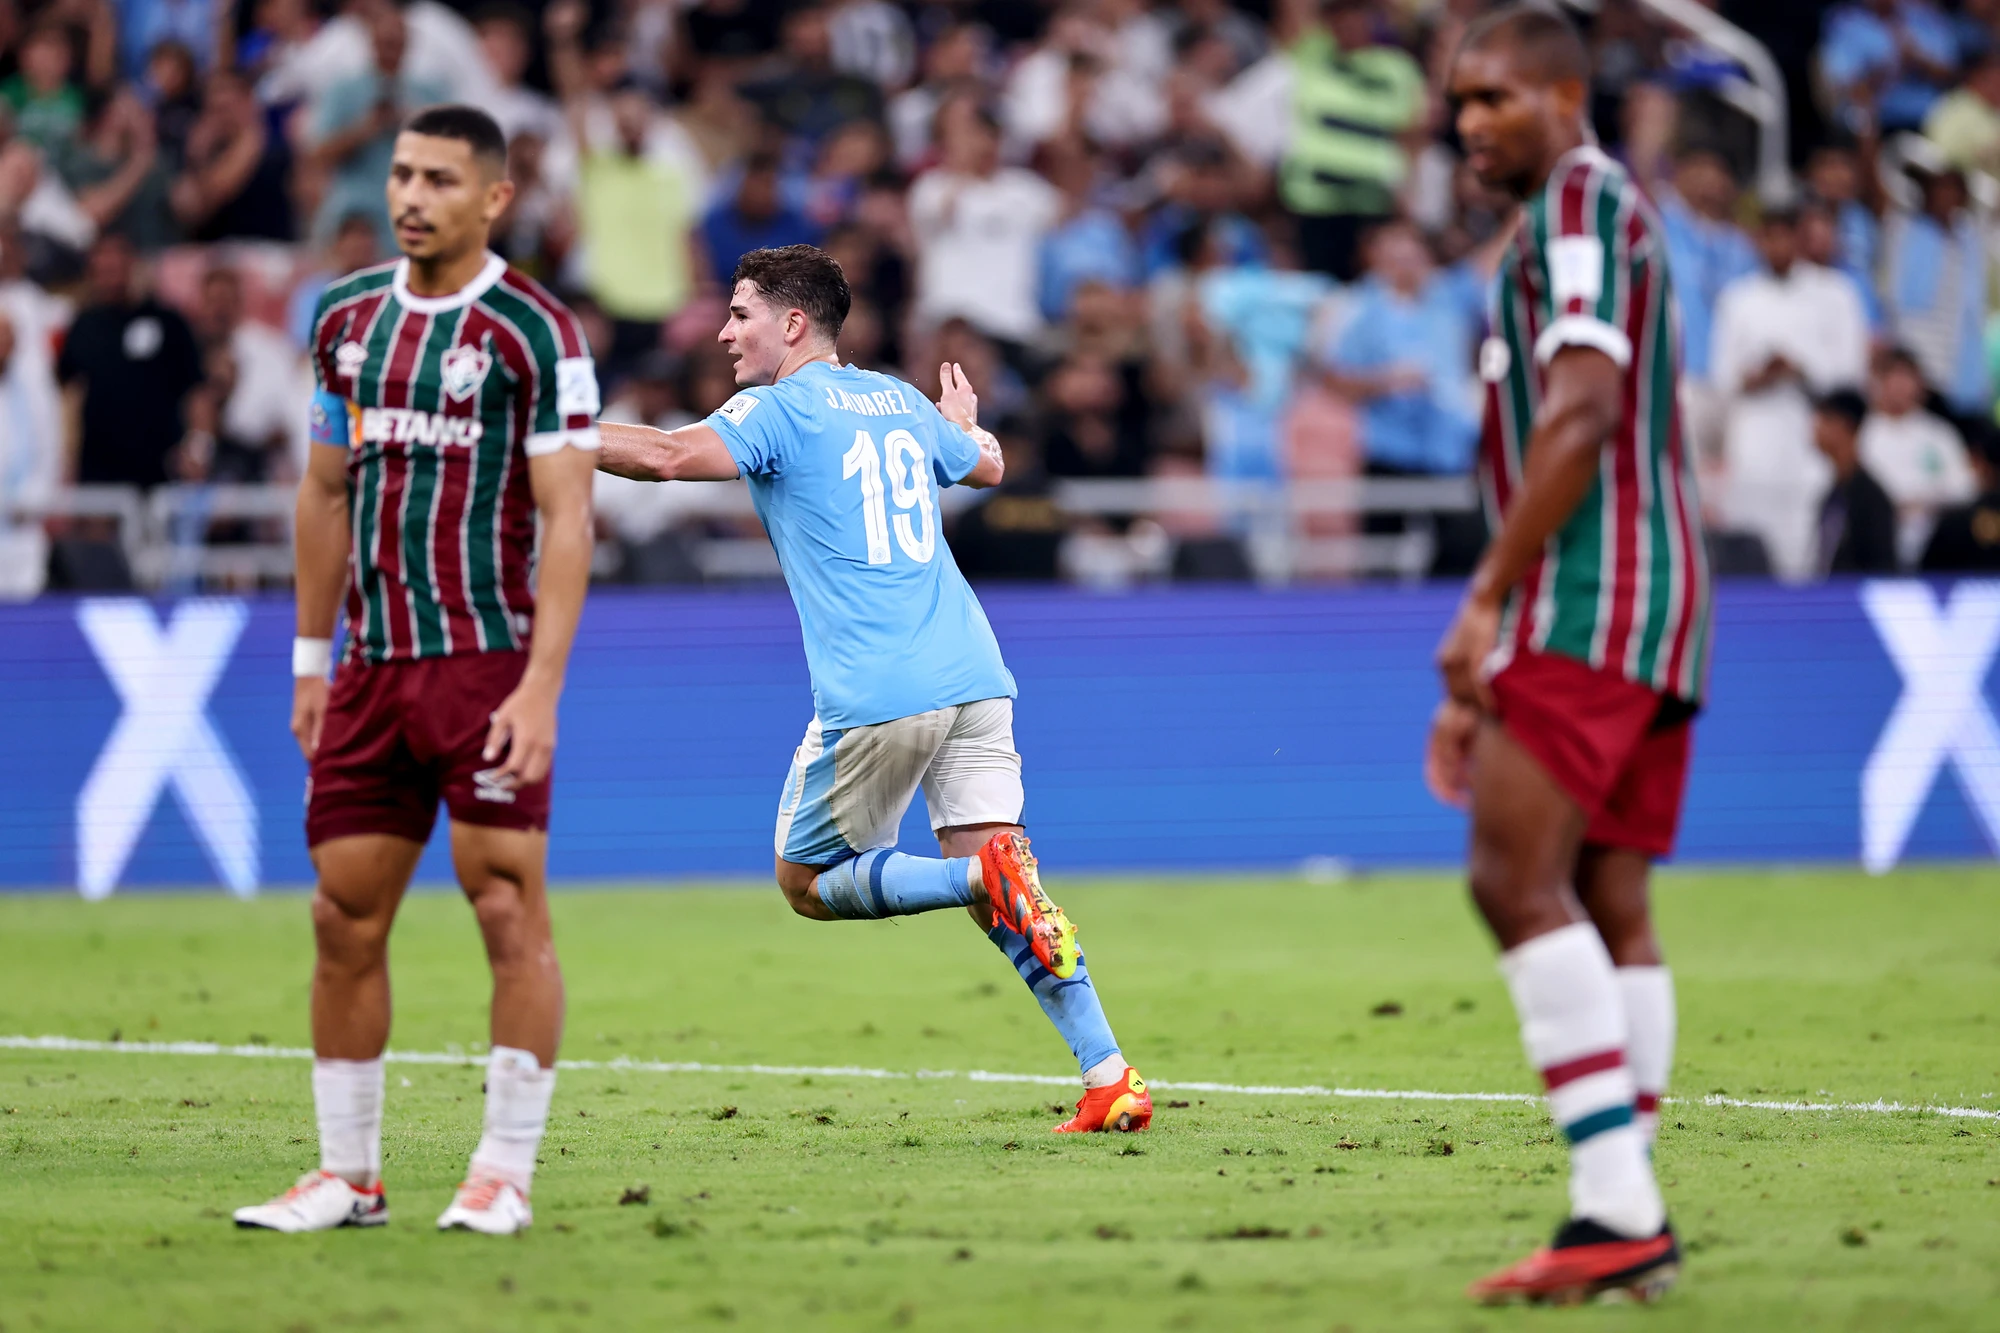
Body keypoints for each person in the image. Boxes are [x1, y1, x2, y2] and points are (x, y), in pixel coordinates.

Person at [595, 244, 1154, 1135]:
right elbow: (988, 466)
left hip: (882, 686)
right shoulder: (896, 398)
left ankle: (986, 875)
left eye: (740, 314)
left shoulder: (777, 407)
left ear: (792, 323)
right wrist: (965, 427)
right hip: (975, 673)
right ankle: (1109, 1073)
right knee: (1010, 898)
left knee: (808, 882)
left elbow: (665, 457)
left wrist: (551, 432)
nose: (724, 331)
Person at [233, 105, 599, 1237]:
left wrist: (539, 685)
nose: (411, 195)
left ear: (492, 197)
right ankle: (348, 1174)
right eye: (401, 174)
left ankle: (501, 1170)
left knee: (503, 903)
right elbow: (324, 492)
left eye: (439, 178)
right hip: (371, 668)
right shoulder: (344, 320)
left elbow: (569, 518)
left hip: (483, 662)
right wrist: (308, 658)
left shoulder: (536, 331)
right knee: (342, 915)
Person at [1430, 6, 1709, 1304]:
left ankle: (1616, 1212)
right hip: (1657, 608)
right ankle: (1630, 1213)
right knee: (1611, 902)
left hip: (1592, 595)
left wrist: (1488, 600)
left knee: (1509, 877)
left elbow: (1586, 406)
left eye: (1493, 98)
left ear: (1561, 90)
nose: (1471, 125)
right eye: (1457, 108)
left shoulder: (1579, 212)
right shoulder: (1595, 212)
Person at [1709, 206, 1871, 580]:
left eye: (1786, 234)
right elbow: (1722, 378)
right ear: (1757, 241)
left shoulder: (1835, 293)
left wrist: (1800, 368)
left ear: (1801, 238)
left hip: (1811, 434)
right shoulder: (1738, 298)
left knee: (1808, 542)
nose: (1777, 245)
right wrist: (1759, 377)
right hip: (1755, 433)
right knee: (1750, 538)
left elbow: (1850, 376)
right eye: (1769, 235)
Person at [56, 232, 205, 488]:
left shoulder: (168, 322)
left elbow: (197, 391)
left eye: (116, 267)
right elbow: (67, 392)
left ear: (133, 264)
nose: (110, 277)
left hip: (162, 471)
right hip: (98, 470)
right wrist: (66, 458)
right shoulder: (83, 326)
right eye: (102, 269)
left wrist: (199, 448)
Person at [1859, 344, 1977, 562]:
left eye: (1907, 378)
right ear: (1877, 382)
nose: (1900, 387)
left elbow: (1965, 488)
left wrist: (1925, 503)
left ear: (1920, 383)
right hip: (1876, 541)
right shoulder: (1863, 434)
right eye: (1893, 377)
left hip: (1935, 541)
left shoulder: (1940, 434)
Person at [1811, 388, 1900, 575]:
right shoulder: (1832, 493)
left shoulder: (1872, 499)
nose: (1815, 428)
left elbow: (1883, 567)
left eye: (1824, 419)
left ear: (1845, 426)